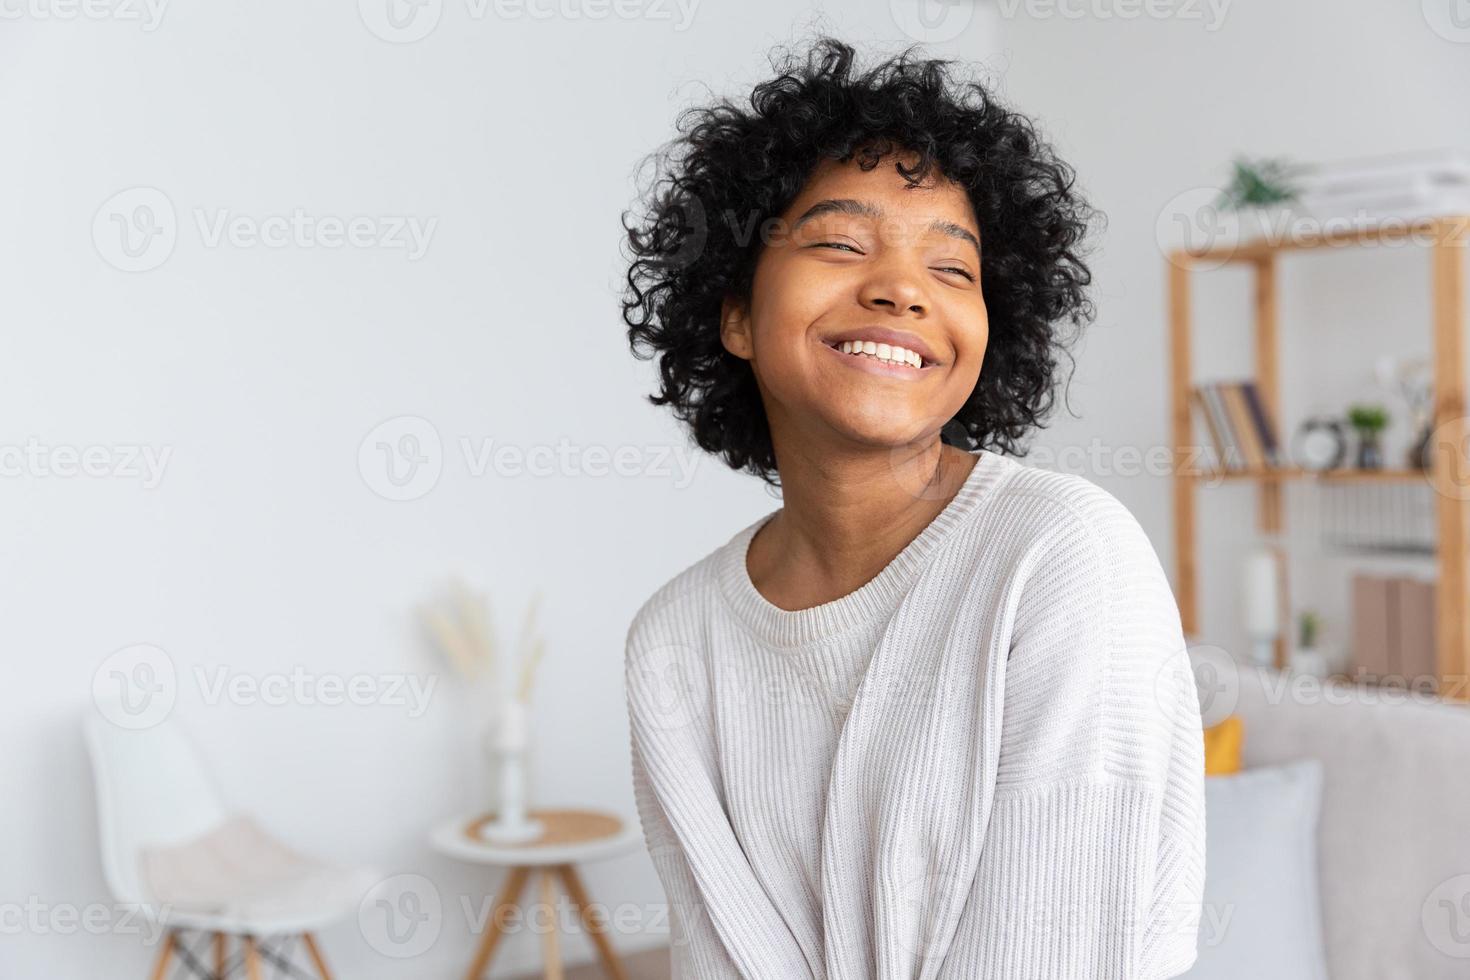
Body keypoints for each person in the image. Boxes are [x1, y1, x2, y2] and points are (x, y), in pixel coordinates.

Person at [617, 34, 1205, 979]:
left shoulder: (1062, 558)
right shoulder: (675, 638)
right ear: (734, 314)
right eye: (842, 244)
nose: (900, 289)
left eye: (954, 270)